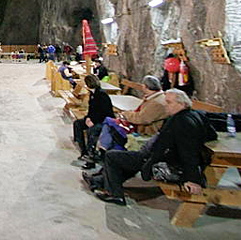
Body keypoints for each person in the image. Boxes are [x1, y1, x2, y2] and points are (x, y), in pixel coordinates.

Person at [85, 89, 218, 206]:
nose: (166, 105)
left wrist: (193, 179)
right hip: (154, 156)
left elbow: (188, 151)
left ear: (182, 104)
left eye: (169, 102)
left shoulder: (181, 122)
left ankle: (114, 194)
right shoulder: (195, 115)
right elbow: (212, 134)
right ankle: (99, 181)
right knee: (128, 157)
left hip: (162, 162)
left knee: (112, 156)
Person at [95, 75, 168, 153]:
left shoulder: (156, 102)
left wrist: (126, 114)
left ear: (145, 86)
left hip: (144, 131)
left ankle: (103, 150)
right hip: (140, 126)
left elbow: (141, 118)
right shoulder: (155, 97)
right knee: (109, 124)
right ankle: (104, 150)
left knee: (109, 124)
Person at [73, 74, 114, 160]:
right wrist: (88, 118)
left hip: (104, 121)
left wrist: (93, 121)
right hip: (94, 119)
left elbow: (105, 113)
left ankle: (91, 155)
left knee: (91, 131)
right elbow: (91, 110)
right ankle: (83, 151)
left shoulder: (102, 95)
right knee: (77, 124)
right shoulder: (92, 94)